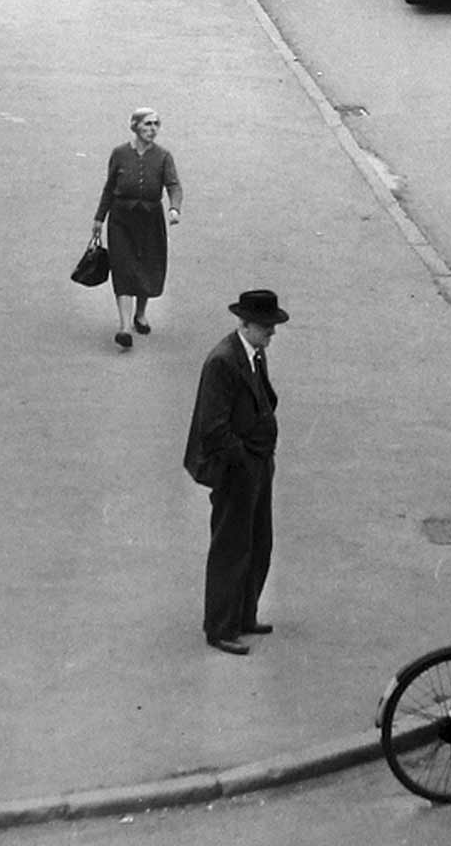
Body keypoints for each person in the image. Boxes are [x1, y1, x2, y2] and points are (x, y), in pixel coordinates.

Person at [184, 288, 288, 654]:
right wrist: (243, 459)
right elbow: (213, 428)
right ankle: (220, 626)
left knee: (258, 541)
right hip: (237, 469)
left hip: (258, 462)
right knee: (231, 546)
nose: (272, 333)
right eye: (266, 327)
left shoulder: (253, 354)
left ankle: (245, 613)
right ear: (244, 324)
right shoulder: (223, 362)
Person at [91, 107, 183, 350]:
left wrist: (174, 208)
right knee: (122, 267)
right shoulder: (120, 154)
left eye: (156, 125)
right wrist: (99, 218)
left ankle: (140, 314)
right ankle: (124, 327)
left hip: (151, 218)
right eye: (147, 124)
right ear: (135, 126)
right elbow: (109, 187)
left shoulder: (163, 156)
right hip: (121, 219)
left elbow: (174, 185)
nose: (153, 129)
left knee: (147, 265)